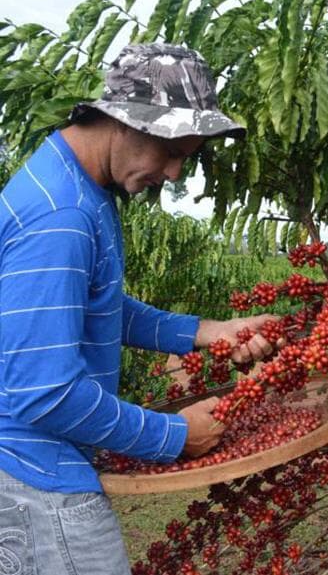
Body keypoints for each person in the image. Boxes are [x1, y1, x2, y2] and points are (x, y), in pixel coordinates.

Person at [0, 43, 273, 574]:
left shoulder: (71, 182)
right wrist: (171, 436)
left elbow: (93, 305)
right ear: (122, 121)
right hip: (36, 475)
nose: (173, 174)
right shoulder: (63, 217)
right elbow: (46, 393)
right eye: (169, 151)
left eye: (186, 158)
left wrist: (209, 331)